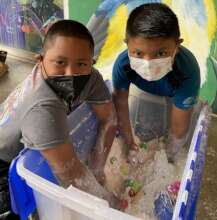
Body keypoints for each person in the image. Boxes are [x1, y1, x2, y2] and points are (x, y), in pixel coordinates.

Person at [0, 19, 118, 216]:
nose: (71, 73)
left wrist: (98, 169)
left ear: (92, 63)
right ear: (40, 60)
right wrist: (110, 203)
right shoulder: (42, 108)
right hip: (4, 161)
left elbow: (109, 119)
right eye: (60, 62)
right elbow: (71, 173)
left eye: (81, 63)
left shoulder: (90, 78)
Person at [112, 3, 200, 163]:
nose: (148, 63)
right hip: (142, 91)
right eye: (138, 53)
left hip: (174, 93)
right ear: (127, 45)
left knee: (173, 130)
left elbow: (179, 130)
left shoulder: (188, 71)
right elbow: (121, 107)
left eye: (161, 53)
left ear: (177, 46)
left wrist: (168, 158)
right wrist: (129, 143)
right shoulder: (123, 65)